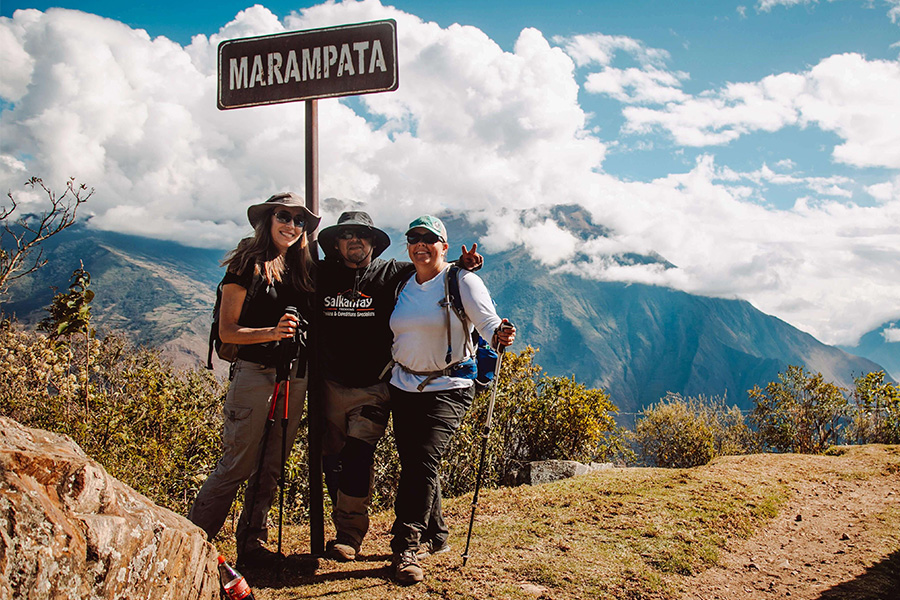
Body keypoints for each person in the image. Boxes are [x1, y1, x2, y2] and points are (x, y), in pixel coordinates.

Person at [315, 211, 481, 562]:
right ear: (336, 243)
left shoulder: (392, 273)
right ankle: (436, 533)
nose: (355, 241)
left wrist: (463, 265)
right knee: (334, 461)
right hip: (328, 385)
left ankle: (350, 535)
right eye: (347, 235)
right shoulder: (321, 274)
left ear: (374, 243)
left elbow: (432, 269)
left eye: (363, 235)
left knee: (359, 456)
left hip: (375, 385)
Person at [188, 192, 318, 568]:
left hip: (294, 375)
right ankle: (194, 543)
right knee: (238, 464)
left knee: (271, 465)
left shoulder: (302, 266)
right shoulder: (248, 263)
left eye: (299, 220)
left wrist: (457, 267)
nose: (291, 225)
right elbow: (228, 332)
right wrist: (272, 332)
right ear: (268, 219)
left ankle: (252, 544)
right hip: (254, 373)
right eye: (284, 216)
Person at [387, 215, 515, 584]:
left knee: (423, 458)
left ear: (444, 245)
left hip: (450, 387)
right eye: (414, 238)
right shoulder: (401, 282)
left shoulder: (463, 281)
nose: (420, 244)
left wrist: (500, 334)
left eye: (430, 238)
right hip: (403, 386)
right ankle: (437, 535)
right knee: (417, 462)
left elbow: (488, 322)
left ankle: (406, 546)